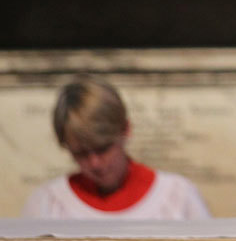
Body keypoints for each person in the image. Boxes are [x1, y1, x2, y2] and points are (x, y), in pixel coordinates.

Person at [21, 75, 210, 219]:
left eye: (103, 148)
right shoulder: (48, 203)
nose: (95, 164)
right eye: (81, 153)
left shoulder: (177, 197)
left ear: (125, 130)